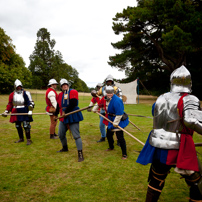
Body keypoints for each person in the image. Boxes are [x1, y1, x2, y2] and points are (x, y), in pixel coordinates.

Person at [136, 65, 202, 202]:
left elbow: (155, 113)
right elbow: (191, 121)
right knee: (197, 180)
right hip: (180, 147)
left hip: (158, 144)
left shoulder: (161, 97)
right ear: (189, 83)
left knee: (156, 179)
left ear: (172, 81)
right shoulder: (190, 99)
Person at [93, 86, 129, 159]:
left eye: (110, 93)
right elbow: (99, 104)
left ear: (113, 93)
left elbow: (119, 113)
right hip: (110, 119)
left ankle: (124, 154)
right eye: (108, 93)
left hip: (118, 119)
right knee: (109, 135)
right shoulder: (104, 98)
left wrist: (115, 123)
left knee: (120, 137)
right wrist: (95, 108)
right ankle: (111, 147)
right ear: (105, 93)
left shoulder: (117, 100)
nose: (109, 94)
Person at [56, 78, 84, 162]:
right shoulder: (60, 95)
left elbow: (73, 103)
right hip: (63, 117)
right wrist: (55, 114)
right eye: (63, 85)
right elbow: (58, 106)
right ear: (61, 87)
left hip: (72, 115)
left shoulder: (73, 92)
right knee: (60, 134)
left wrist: (65, 111)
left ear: (68, 85)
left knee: (76, 135)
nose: (64, 86)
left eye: (66, 84)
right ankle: (65, 148)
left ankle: (80, 154)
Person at [2, 79, 34, 145]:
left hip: (24, 110)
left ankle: (28, 139)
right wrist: (6, 111)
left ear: (21, 86)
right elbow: (10, 104)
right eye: (17, 86)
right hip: (16, 110)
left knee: (26, 125)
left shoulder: (25, 93)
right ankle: (21, 138)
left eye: (20, 86)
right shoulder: (12, 94)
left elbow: (29, 102)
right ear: (15, 87)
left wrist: (30, 110)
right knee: (17, 125)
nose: (19, 87)